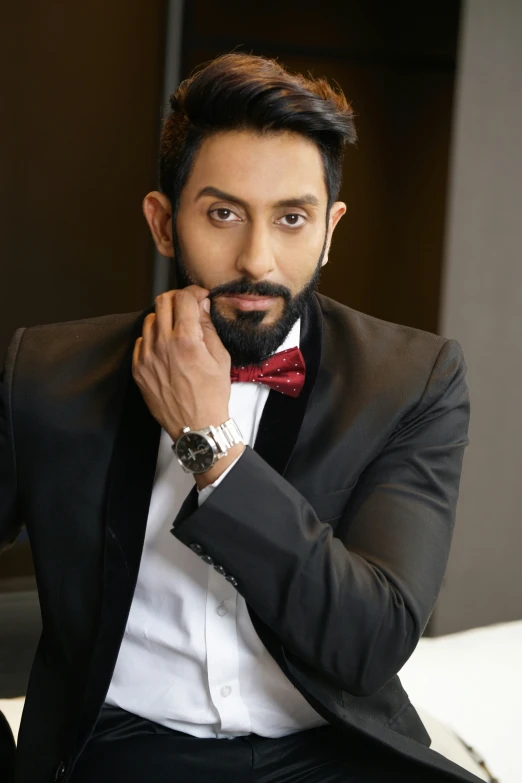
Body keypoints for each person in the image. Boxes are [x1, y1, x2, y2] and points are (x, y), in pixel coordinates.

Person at [0, 52, 482, 783]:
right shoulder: (44, 373)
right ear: (164, 223)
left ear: (328, 228)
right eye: (223, 213)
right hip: (130, 746)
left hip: (332, 746)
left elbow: (369, 643)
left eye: (292, 218)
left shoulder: (413, 380)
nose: (257, 258)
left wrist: (211, 447)